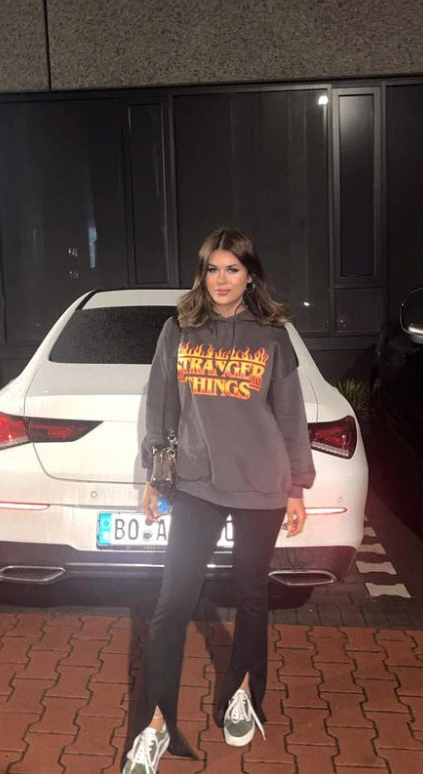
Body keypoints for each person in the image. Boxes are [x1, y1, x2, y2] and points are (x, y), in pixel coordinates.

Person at [123, 226, 315, 774]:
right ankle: (155, 724)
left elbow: (290, 414)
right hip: (197, 482)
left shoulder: (272, 336)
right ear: (202, 273)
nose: (222, 279)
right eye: (213, 269)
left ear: (249, 275)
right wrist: (156, 477)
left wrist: (297, 486)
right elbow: (162, 407)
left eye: (233, 269)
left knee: (251, 594)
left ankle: (243, 696)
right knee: (172, 603)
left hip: (262, 484)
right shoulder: (179, 329)